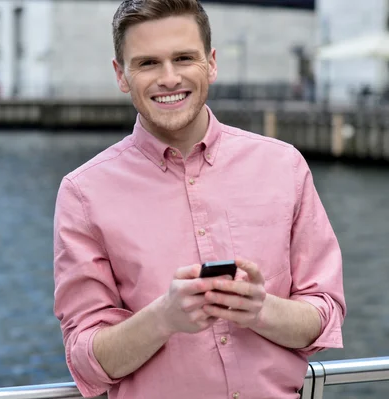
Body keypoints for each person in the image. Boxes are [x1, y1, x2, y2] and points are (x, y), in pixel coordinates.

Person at [52, 1, 346, 398]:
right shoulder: (83, 193)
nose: (169, 78)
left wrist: (261, 309)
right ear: (121, 75)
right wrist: (164, 317)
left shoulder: (284, 166)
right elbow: (86, 359)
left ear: (211, 63)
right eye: (148, 63)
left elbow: (325, 313)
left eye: (184, 58)